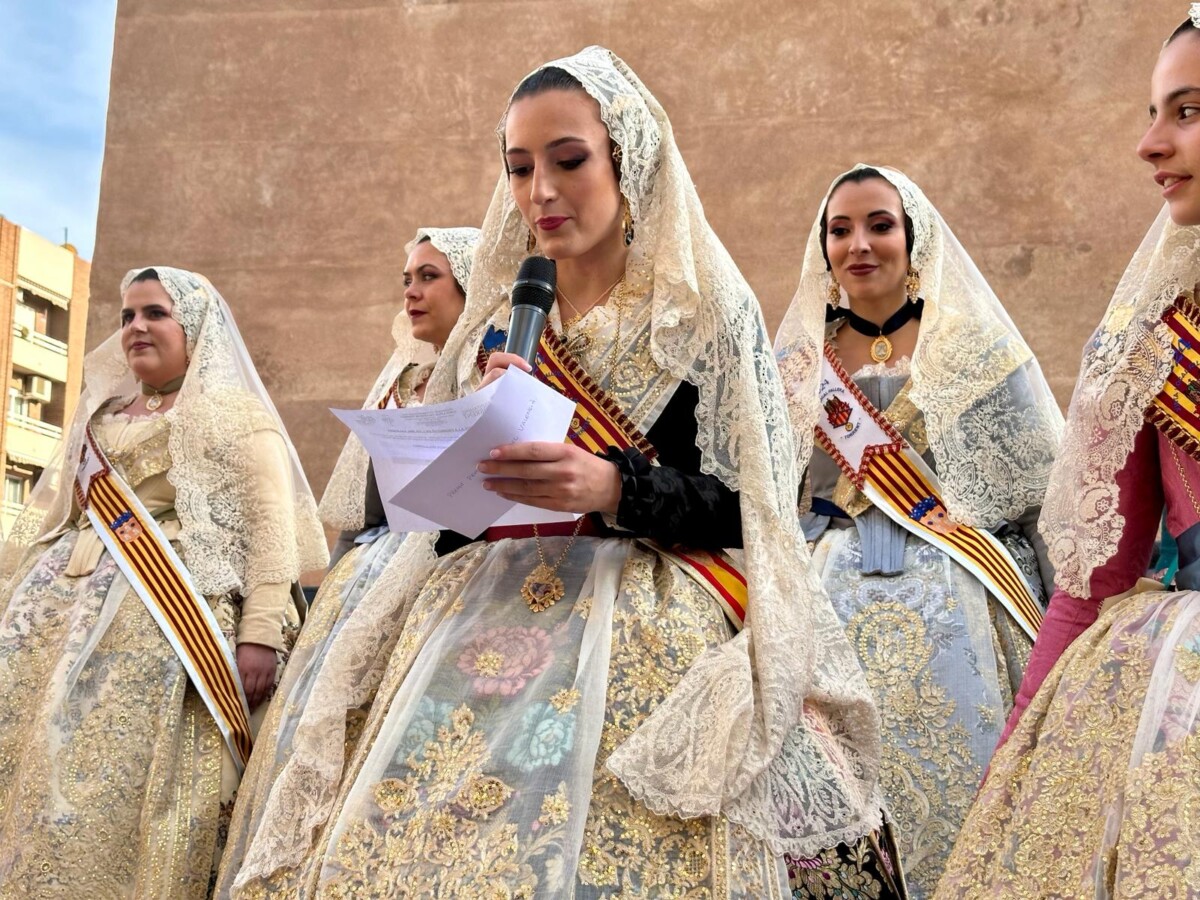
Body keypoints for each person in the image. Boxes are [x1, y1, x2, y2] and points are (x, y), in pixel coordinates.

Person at [227, 46, 894, 899]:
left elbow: (752, 509)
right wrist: (473, 446)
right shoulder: (498, 324)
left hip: (652, 608)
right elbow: (447, 524)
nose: (540, 191)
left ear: (627, 162)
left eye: (568, 161)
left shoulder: (703, 316)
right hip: (480, 607)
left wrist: (613, 487)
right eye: (519, 168)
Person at [936, 13, 1200, 897]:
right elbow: (1090, 583)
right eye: (1153, 112)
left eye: (1188, 111)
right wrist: (1014, 762)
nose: (1149, 143)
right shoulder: (1153, 339)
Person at [774, 165, 1062, 897]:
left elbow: (1038, 492)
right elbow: (769, 494)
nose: (860, 245)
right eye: (840, 230)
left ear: (914, 238)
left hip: (962, 596)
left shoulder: (975, 351)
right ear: (822, 247)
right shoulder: (798, 365)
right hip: (829, 598)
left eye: (880, 225)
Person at [0, 267, 327, 896]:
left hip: (174, 633)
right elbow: (63, 516)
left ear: (195, 327)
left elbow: (271, 534)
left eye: (155, 313)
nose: (136, 327)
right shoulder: (99, 415)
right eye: (127, 316)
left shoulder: (236, 417)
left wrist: (260, 634)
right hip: (58, 630)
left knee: (121, 780)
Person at [216, 226, 480, 894]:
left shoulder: (490, 370)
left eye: (428, 277)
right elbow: (362, 504)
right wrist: (328, 596)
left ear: (471, 285)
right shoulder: (400, 374)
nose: (411, 292)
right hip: (369, 573)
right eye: (407, 279)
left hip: (447, 577)